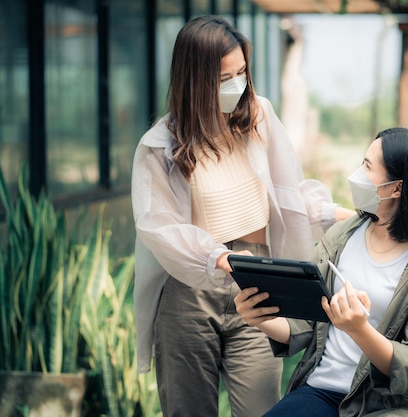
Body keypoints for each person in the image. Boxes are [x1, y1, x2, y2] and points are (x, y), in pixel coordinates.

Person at [131, 15, 354, 417]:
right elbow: (158, 225)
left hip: (259, 283)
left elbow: (286, 197)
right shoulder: (159, 146)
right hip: (188, 292)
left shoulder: (259, 118)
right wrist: (217, 257)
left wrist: (342, 215)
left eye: (241, 72)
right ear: (193, 80)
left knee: (260, 408)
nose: (237, 85)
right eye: (223, 78)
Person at [235, 127, 408, 417]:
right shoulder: (342, 236)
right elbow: (305, 324)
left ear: (397, 187)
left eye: (367, 167)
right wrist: (260, 318)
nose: (357, 174)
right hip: (322, 390)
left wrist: (359, 330)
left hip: (393, 403)